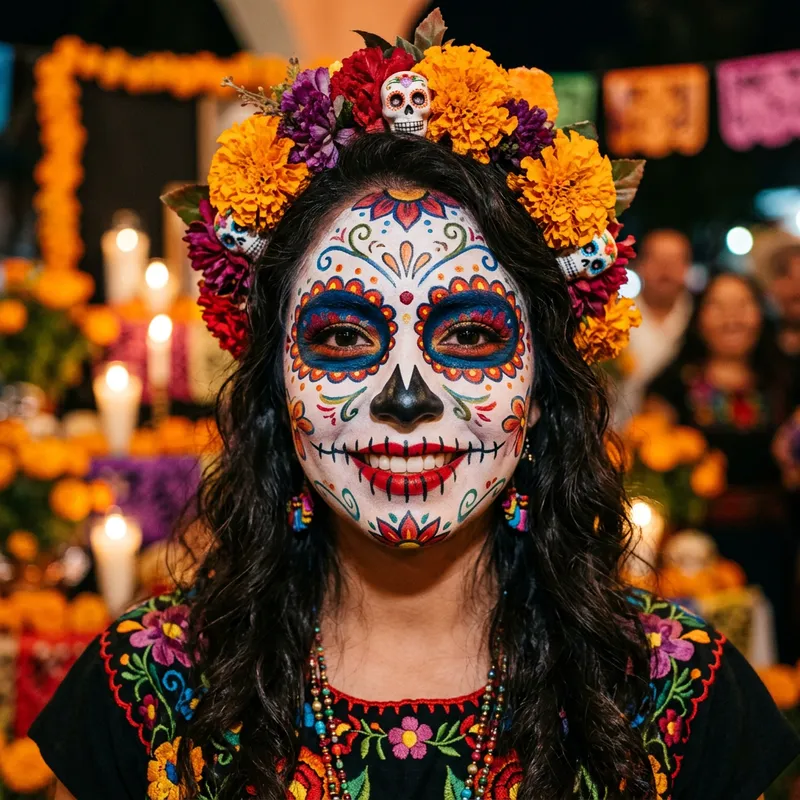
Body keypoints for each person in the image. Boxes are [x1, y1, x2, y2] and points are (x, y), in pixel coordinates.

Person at [30, 18, 799, 800]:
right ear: (277, 387)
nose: (406, 394)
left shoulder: (678, 699)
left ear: (537, 392)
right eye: (340, 336)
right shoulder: (147, 693)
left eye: (468, 334)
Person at [645, 272, 798, 662]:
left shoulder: (789, 379)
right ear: (700, 318)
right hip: (698, 552)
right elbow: (647, 463)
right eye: (719, 306)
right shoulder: (671, 387)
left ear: (760, 315)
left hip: (778, 545)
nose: (733, 318)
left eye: (743, 305)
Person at [614, 229, 693, 426]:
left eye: (674, 261)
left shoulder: (699, 318)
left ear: (687, 267)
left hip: (686, 440)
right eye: (656, 260)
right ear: (640, 264)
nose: (665, 269)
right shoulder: (614, 316)